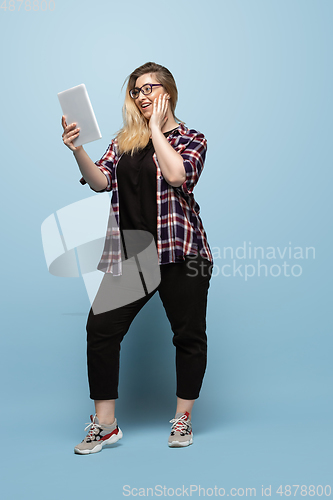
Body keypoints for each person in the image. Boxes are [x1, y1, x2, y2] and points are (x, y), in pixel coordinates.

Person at [61, 62, 213, 454]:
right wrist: (79, 150)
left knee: (189, 336)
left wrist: (157, 131)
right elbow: (100, 181)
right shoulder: (124, 141)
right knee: (101, 329)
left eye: (150, 88)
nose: (142, 95)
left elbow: (178, 175)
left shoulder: (192, 138)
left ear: (168, 92)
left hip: (183, 252)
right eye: (136, 90)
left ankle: (183, 418)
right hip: (134, 257)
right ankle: (106, 425)